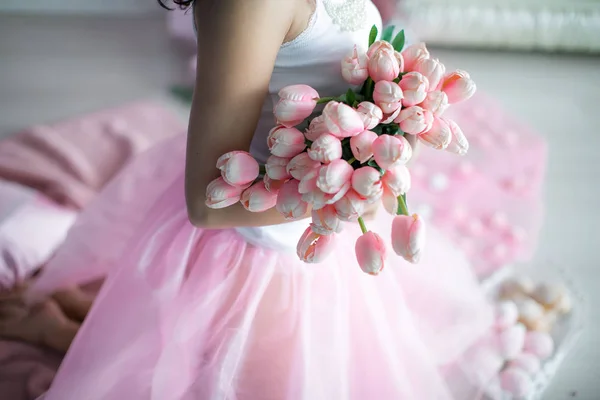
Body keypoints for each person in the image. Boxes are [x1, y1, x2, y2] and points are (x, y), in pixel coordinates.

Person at [2, 0, 493, 398]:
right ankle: (64, 334)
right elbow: (208, 203)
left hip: (317, 219)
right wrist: (346, 192)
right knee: (216, 379)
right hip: (260, 244)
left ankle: (91, 321)